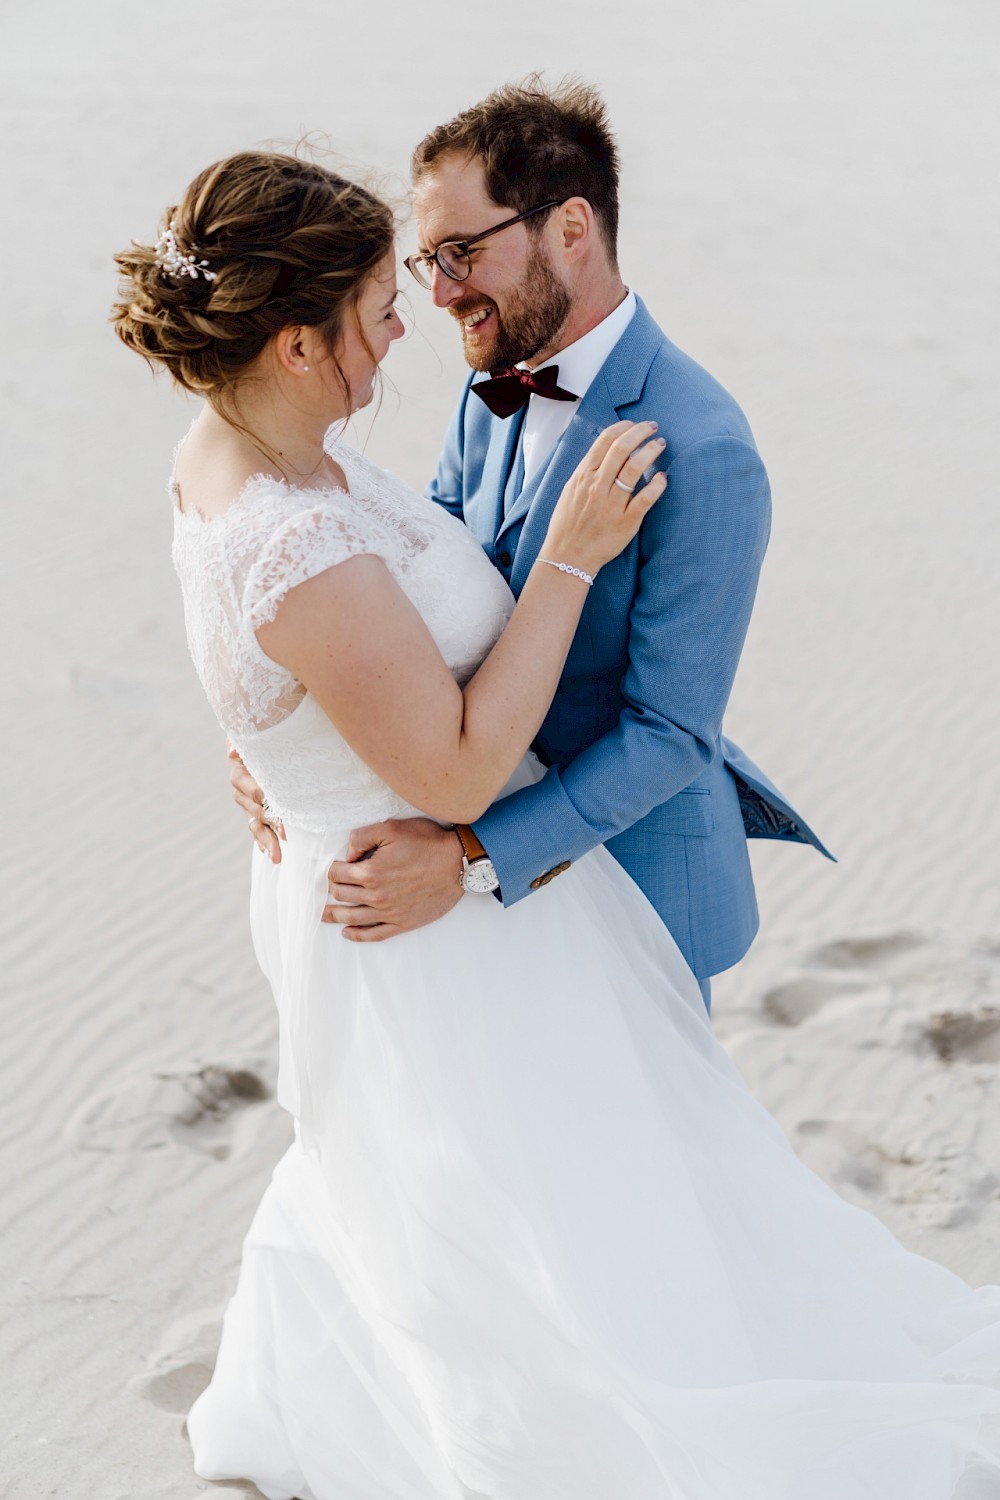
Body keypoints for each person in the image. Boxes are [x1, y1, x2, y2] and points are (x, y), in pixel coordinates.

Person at [114, 149, 1000, 1500]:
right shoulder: (284, 534)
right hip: (428, 922)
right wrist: (570, 556)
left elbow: (626, 711)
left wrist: (271, 743)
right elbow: (449, 757)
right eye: (380, 303)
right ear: (294, 344)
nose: (416, 318)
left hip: (471, 897)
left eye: (444, 261)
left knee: (508, 1203)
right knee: (524, 1235)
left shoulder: (243, 444)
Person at [230, 80, 831, 1014]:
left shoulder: (706, 447)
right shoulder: (494, 385)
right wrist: (285, 741)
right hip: (473, 883)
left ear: (572, 227)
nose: (436, 294)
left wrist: (469, 863)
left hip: (632, 895)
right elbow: (406, 591)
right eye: (430, 259)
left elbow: (670, 734)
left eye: (461, 253)